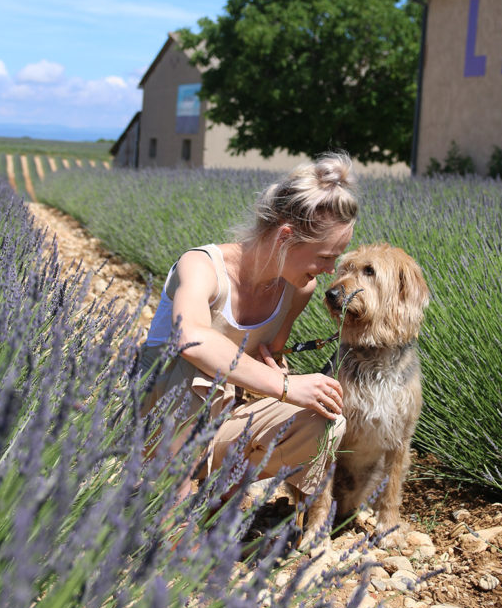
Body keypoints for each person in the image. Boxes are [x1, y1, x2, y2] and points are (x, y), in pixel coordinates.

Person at [139, 152, 358, 506]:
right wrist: (285, 385)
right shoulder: (201, 266)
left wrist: (279, 373)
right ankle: (169, 506)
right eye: (325, 256)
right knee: (197, 365)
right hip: (159, 423)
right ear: (286, 237)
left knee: (323, 422)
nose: (331, 270)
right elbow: (190, 337)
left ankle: (221, 497)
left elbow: (264, 365)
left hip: (221, 423)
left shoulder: (298, 289)